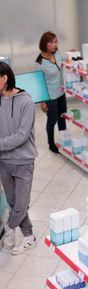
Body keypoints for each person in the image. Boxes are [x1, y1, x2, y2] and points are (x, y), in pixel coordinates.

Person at [0, 62, 37, 254]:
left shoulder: (26, 102)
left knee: (21, 205)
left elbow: (22, 135)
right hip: (4, 162)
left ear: (4, 78)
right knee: (13, 203)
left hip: (23, 162)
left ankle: (10, 228)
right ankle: (29, 236)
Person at [35, 31, 67, 153]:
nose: (54, 45)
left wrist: (72, 54)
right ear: (45, 44)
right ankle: (51, 143)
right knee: (52, 119)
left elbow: (64, 61)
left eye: (55, 42)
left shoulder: (57, 54)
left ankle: (65, 139)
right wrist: (42, 102)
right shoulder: (39, 62)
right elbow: (39, 83)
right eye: (51, 42)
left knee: (62, 117)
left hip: (61, 92)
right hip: (50, 96)